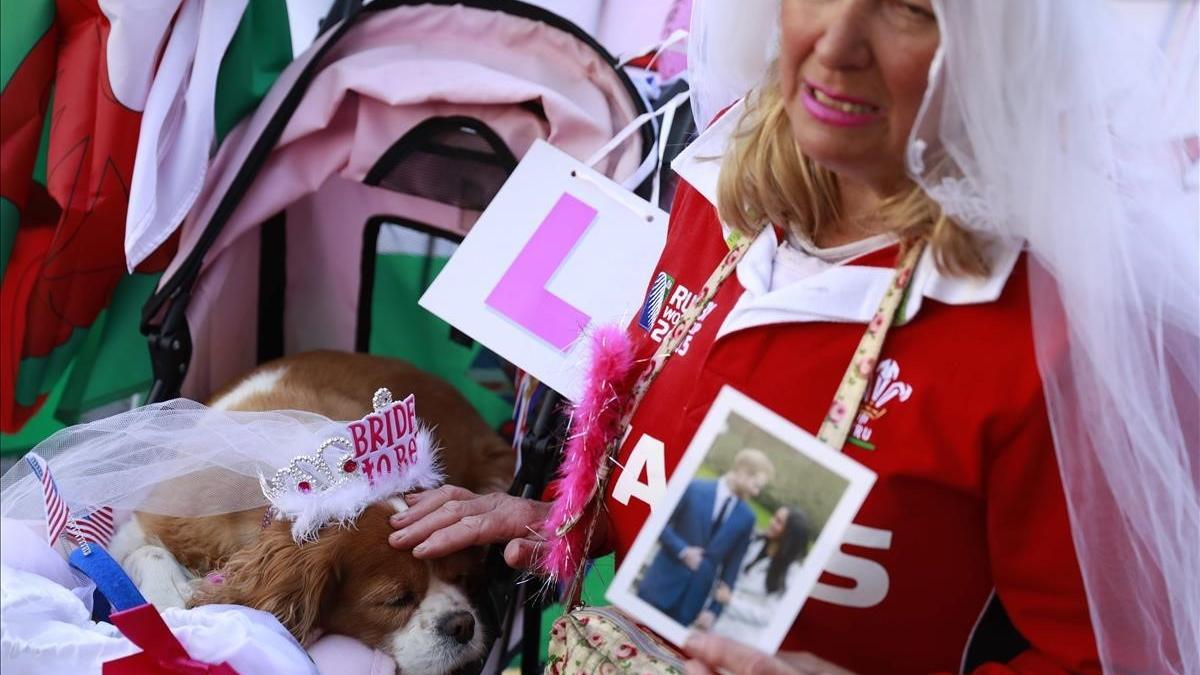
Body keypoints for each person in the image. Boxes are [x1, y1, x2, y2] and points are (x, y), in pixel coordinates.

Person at [388, 1, 1199, 673]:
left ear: (1003, 52)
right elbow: (739, 503)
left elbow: (1124, 656)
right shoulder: (724, 187)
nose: (836, 44)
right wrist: (574, 516)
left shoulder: (1056, 342)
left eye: (908, 8)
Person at [638, 449, 773, 629]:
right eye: (755, 485)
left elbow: (732, 567)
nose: (756, 493)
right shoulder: (693, 488)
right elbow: (658, 524)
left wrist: (713, 610)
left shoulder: (748, 518)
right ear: (742, 471)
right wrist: (683, 551)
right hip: (658, 587)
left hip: (689, 607)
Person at [710, 507, 810, 638]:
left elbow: (768, 615)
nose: (771, 522)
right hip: (717, 624)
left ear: (790, 534)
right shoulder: (755, 543)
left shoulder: (792, 572)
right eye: (774, 517)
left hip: (744, 637)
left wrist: (730, 601)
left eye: (778, 522)